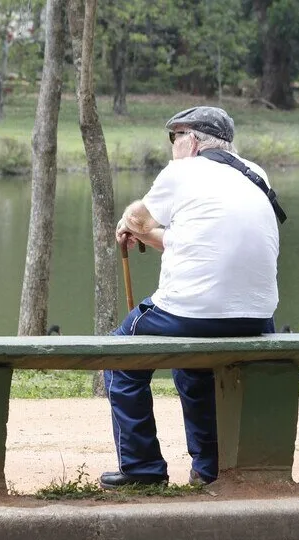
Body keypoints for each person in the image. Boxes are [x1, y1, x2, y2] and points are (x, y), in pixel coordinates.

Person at [100, 106, 281, 489]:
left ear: (193, 142)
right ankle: (208, 468)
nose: (172, 147)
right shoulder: (255, 174)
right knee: (193, 364)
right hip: (257, 317)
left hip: (193, 310)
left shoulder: (182, 172)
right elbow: (195, 242)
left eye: (175, 137)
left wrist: (132, 226)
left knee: (119, 356)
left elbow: (135, 218)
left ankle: (141, 470)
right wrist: (151, 235)